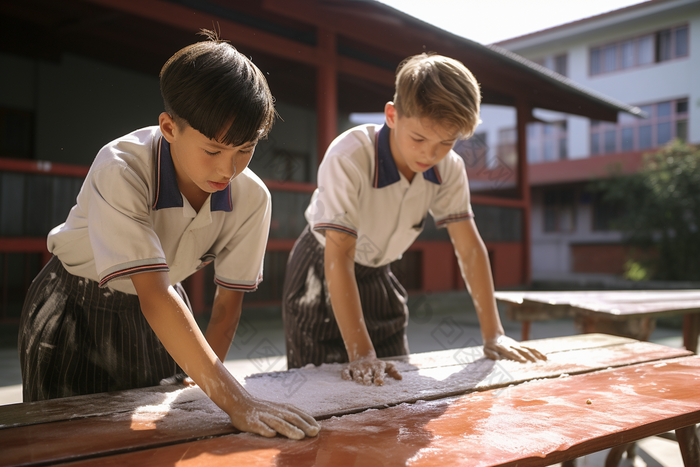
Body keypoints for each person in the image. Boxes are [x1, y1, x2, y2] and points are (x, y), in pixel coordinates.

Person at [18, 31, 319, 440]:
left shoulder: (253, 198)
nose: (228, 170)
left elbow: (227, 305)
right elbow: (153, 295)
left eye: (245, 149)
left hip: (166, 315)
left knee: (160, 438)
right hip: (76, 307)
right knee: (68, 444)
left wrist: (212, 391)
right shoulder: (121, 168)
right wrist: (238, 402)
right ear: (169, 127)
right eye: (213, 150)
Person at [282, 53, 547, 385]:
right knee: (321, 390)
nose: (429, 154)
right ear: (392, 115)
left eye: (446, 143)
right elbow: (339, 255)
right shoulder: (348, 156)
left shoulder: (448, 167)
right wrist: (361, 353)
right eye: (419, 139)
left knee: (397, 388)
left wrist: (494, 335)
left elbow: (469, 248)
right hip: (321, 269)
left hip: (379, 272)